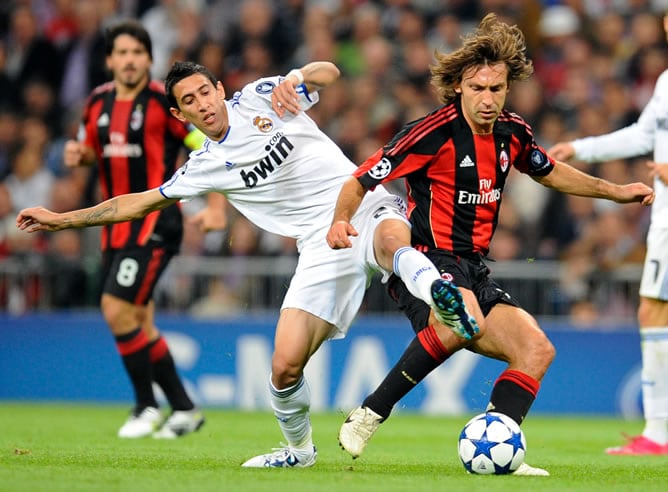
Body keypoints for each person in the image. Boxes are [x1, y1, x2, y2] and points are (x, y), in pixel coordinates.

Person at [16, 59, 478, 467]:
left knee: (390, 240)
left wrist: (297, 76)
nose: (202, 104)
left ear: (219, 89)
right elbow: (135, 204)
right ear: (180, 114)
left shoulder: (262, 96)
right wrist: (62, 220)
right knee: (284, 368)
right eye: (189, 101)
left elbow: (329, 73)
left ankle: (439, 291)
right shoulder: (204, 165)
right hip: (319, 247)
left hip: (357, 202)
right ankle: (299, 453)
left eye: (205, 91)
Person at [327, 13, 654, 475]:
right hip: (427, 261)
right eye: (478, 88)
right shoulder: (431, 133)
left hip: (474, 267)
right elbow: (362, 177)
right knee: (462, 318)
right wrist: (341, 221)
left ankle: (499, 442)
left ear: (507, 88)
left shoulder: (512, 132)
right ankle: (371, 412)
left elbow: (551, 171)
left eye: (496, 89)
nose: (487, 99)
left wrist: (615, 192)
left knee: (537, 350)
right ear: (459, 86)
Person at [61, 20, 226, 439]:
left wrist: (216, 205)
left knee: (115, 308)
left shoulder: (163, 102)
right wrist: (78, 156)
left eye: (138, 52)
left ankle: (146, 406)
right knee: (140, 323)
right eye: (122, 52)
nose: (130, 60)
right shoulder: (96, 103)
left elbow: (207, 145)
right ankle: (185, 409)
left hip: (155, 222)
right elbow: (87, 154)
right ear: (110, 60)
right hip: (114, 229)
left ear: (149, 59)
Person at [548, 11, 668, 457]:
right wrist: (584, 148)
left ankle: (658, 432)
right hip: (663, 222)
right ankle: (656, 431)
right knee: (652, 312)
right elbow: (643, 135)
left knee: (654, 313)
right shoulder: (665, 83)